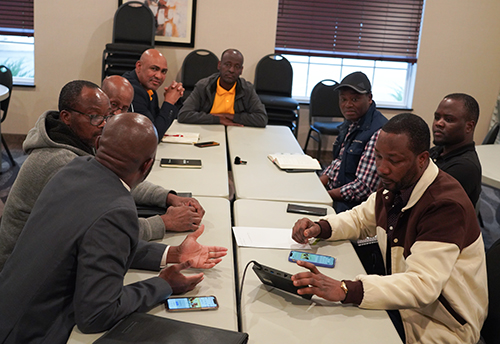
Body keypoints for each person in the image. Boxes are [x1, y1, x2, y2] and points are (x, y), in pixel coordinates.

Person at [0, 113, 227, 343]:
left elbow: (96, 244)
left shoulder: (73, 169)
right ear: (147, 165)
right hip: (33, 333)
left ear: (98, 144)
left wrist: (173, 254)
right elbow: (97, 314)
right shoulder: (118, 209)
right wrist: (163, 284)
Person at [291, 113, 487, 344]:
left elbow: (423, 285)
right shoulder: (399, 184)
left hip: (441, 326)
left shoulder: (444, 206)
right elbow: (359, 219)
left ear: (422, 159)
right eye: (378, 157)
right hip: (406, 308)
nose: (382, 168)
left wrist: (346, 289)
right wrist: (320, 227)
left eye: (393, 160)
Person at [0, 80, 204, 272]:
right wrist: (163, 223)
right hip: (23, 267)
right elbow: (102, 229)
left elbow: (116, 179)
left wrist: (168, 197)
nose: (103, 124)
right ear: (66, 117)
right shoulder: (60, 162)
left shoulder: (81, 140)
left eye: (107, 116)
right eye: (94, 117)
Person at [320, 71, 388, 213]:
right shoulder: (351, 122)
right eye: (343, 99)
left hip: (353, 207)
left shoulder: (378, 133)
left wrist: (324, 195)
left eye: (355, 99)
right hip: (337, 192)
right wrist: (319, 184)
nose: (348, 105)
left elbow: (363, 188)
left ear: (369, 98)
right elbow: (338, 162)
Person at [178, 49, 268, 127]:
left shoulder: (247, 89)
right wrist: (218, 119)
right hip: (208, 129)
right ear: (219, 65)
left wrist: (230, 116)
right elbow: (184, 114)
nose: (231, 70)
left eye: (237, 67)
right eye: (227, 64)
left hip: (236, 132)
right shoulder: (204, 86)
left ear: (241, 70)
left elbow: (262, 118)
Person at [429, 93, 481, 207]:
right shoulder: (436, 151)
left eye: (448, 119)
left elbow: (427, 203)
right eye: (437, 117)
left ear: (469, 127)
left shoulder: (464, 167)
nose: (439, 123)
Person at [123, 48, 184, 138]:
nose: (159, 76)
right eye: (154, 69)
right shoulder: (132, 90)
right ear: (139, 66)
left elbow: (158, 120)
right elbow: (153, 135)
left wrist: (174, 100)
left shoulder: (148, 89)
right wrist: (169, 102)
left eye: (163, 71)